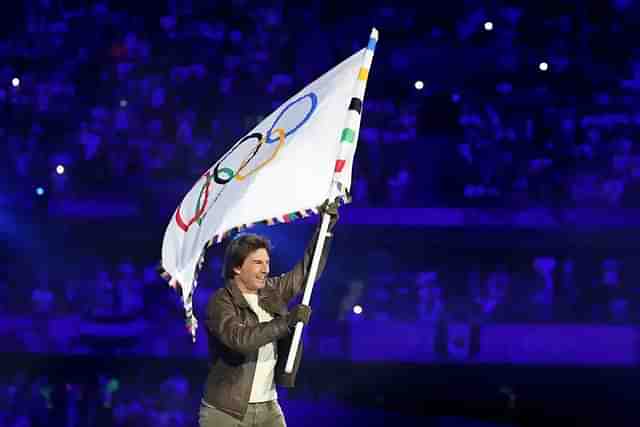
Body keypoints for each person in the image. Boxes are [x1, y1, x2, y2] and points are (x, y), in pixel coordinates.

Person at [198, 199, 340, 427]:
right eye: (257, 262)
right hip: (225, 412)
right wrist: (287, 321)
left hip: (268, 408)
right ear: (237, 267)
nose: (265, 269)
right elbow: (240, 340)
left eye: (267, 262)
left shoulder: (271, 290)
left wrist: (325, 228)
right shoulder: (220, 301)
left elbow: (306, 271)